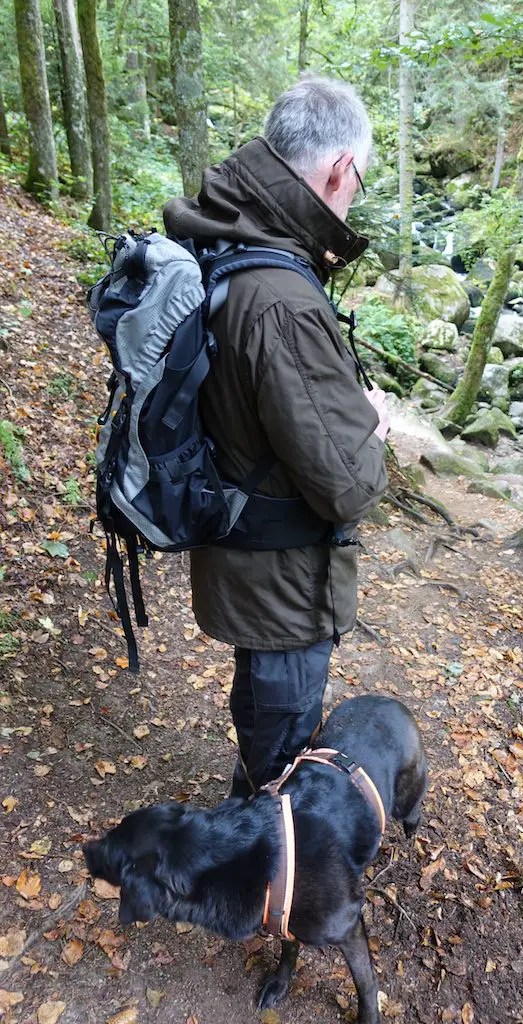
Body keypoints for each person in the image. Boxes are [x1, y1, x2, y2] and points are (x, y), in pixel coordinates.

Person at [163, 76, 389, 797]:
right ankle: (266, 862)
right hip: (281, 576)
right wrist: (371, 425)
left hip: (241, 542)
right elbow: (349, 484)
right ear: (339, 170)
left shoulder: (227, 232)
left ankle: (255, 816)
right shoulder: (283, 300)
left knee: (261, 701)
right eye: (359, 180)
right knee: (282, 735)